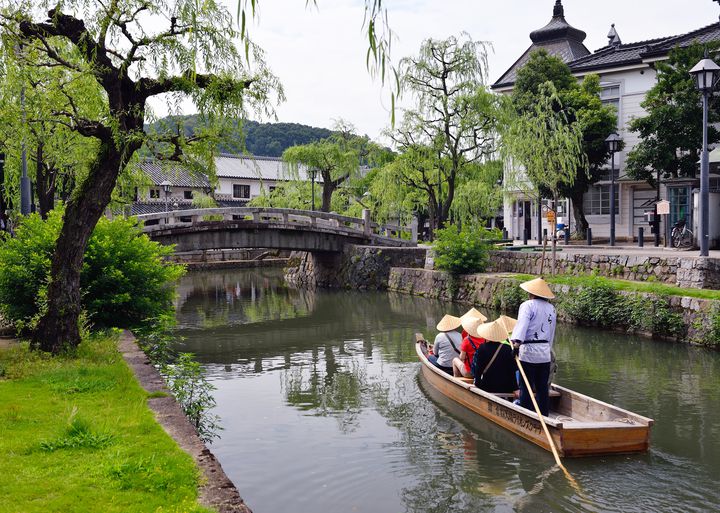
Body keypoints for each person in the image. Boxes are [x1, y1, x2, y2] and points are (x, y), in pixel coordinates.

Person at [510, 277, 556, 417]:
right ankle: (544, 414)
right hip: (544, 352)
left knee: (526, 387)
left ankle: (526, 414)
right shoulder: (552, 309)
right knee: (542, 387)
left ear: (532, 293)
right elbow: (551, 331)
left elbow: (521, 326)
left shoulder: (528, 305)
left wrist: (516, 345)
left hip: (528, 352)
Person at [473, 320, 518, 394]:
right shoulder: (508, 348)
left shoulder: (482, 348)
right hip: (506, 387)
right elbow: (512, 371)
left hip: (487, 386)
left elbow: (478, 369)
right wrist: (515, 388)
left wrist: (477, 384)